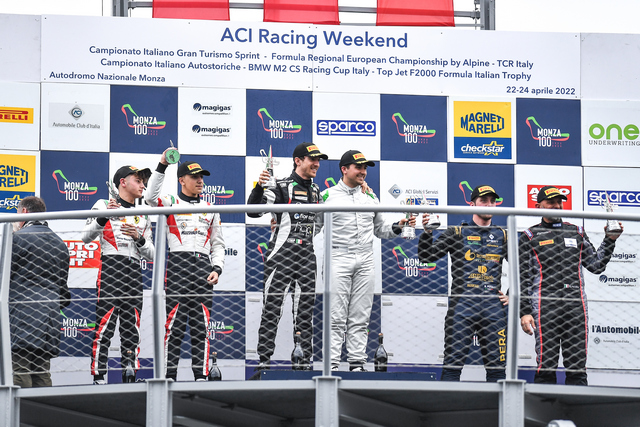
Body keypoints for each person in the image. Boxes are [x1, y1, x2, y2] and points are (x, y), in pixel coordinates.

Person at [519, 186, 623, 385]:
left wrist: (610, 240)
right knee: (546, 366)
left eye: (559, 202)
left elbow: (596, 265)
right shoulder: (529, 236)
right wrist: (524, 312)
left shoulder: (576, 231)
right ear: (538, 206)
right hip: (544, 306)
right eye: (551, 202)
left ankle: (577, 405)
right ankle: (545, 405)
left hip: (576, 305)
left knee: (577, 368)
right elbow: (523, 278)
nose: (557, 206)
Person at [321, 150, 413, 372]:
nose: (363, 171)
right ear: (344, 169)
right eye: (358, 167)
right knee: (335, 316)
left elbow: (381, 230)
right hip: (337, 257)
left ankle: (357, 364)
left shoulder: (370, 197)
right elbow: (311, 226)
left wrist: (398, 226)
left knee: (360, 317)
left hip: (365, 258)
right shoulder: (326, 196)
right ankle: (331, 366)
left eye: (365, 168)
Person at [145, 150, 225, 381]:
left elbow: (218, 244)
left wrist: (217, 268)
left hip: (203, 268)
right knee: (174, 326)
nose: (200, 181)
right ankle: (168, 376)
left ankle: (201, 376)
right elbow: (150, 198)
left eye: (202, 177)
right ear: (182, 180)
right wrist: (162, 165)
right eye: (195, 177)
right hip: (178, 267)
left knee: (202, 327)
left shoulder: (210, 207)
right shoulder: (171, 202)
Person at [247, 142, 328, 370]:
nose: (317, 164)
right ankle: (264, 362)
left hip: (306, 257)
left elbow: (319, 223)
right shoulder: (281, 187)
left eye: (318, 160)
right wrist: (259, 187)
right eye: (312, 159)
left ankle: (303, 362)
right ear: (298, 161)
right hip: (280, 256)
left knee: (304, 314)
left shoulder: (317, 191)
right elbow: (253, 211)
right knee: (271, 310)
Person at [417, 185, 509, 382]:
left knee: (497, 370)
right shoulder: (457, 232)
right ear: (472, 204)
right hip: (462, 307)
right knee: (452, 368)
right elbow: (426, 257)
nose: (488, 205)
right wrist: (427, 232)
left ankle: (498, 404)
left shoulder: (503, 235)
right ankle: (446, 403)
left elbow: (523, 268)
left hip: (493, 309)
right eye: (483, 201)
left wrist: (511, 294)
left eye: (492, 201)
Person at [83, 165, 154, 384]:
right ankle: (99, 377)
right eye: (138, 181)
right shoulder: (103, 205)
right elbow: (85, 237)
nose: (143, 186)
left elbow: (152, 253)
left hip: (134, 270)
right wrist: (104, 216)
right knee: (104, 325)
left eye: (144, 182)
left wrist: (138, 238)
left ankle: (130, 374)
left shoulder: (143, 213)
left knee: (132, 327)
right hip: (111, 267)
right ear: (123, 182)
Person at [10, 196, 70, 387]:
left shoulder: (17, 239)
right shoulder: (60, 244)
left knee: (19, 371)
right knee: (42, 373)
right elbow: (63, 291)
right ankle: (42, 408)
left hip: (20, 316)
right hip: (49, 320)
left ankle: (20, 408)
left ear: (24, 212)